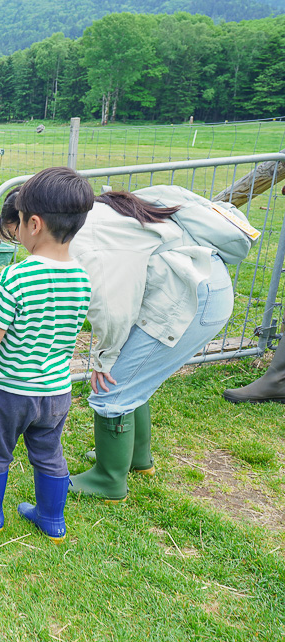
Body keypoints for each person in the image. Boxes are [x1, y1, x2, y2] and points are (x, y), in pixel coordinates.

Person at [54, 187, 235, 502]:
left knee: (112, 389)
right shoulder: (99, 211)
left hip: (190, 298)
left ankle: (108, 479)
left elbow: (114, 307)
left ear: (35, 222)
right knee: (133, 379)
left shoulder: (83, 239)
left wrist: (102, 360)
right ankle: (138, 461)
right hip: (203, 282)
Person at [0, 167, 94, 544]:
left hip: (10, 391)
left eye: (17, 221)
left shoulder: (18, 276)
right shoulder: (81, 277)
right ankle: (51, 519)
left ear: (33, 224)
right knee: (49, 453)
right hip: (55, 390)